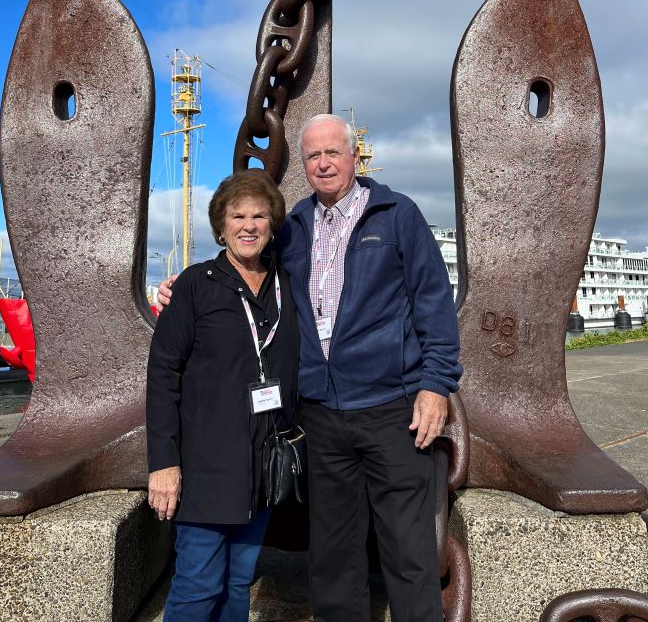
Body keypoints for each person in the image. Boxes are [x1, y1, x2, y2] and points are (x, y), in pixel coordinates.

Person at [158, 114, 462, 622]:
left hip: (392, 408)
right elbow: (243, 257)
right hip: (320, 416)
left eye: (333, 153)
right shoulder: (294, 226)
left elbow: (434, 303)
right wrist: (184, 287)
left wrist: (435, 384)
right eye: (313, 156)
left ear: (354, 156)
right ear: (304, 165)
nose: (323, 163)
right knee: (334, 554)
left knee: (408, 552)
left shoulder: (396, 215)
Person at [146, 170, 299, 622]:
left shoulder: (287, 286)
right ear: (221, 226)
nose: (248, 225)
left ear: (272, 225)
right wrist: (163, 464)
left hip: (263, 465)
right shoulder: (195, 286)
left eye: (259, 215)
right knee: (197, 585)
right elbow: (162, 375)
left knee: (238, 582)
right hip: (206, 465)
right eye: (238, 216)